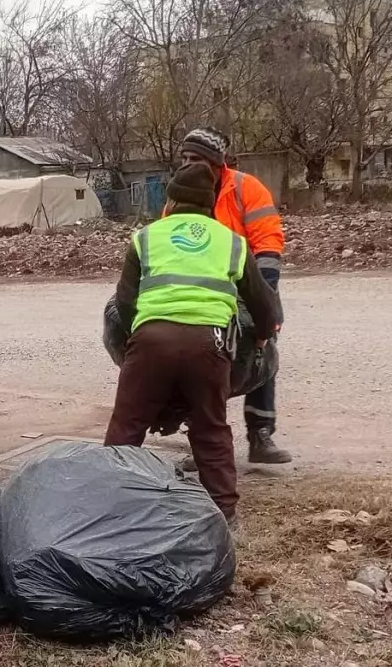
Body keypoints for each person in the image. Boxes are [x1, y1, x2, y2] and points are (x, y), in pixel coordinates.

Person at [104, 163, 280, 523]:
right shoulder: (233, 243)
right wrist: (261, 336)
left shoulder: (146, 237)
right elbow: (265, 305)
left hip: (151, 342)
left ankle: (109, 512)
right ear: (212, 203)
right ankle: (224, 518)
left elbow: (123, 303)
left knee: (126, 429)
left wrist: (133, 348)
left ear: (170, 200)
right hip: (209, 346)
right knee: (211, 430)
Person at [178, 127, 291, 464]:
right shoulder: (180, 195)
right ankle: (203, 437)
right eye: (183, 158)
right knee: (201, 361)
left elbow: (268, 244)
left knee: (261, 351)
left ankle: (260, 434)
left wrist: (264, 301)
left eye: (195, 158)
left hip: (247, 283)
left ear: (216, 163)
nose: (187, 165)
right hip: (202, 289)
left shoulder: (246, 189)